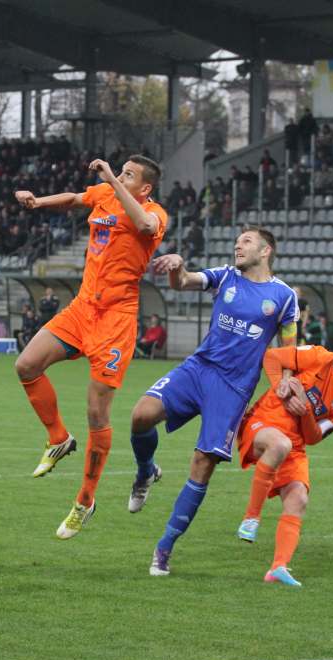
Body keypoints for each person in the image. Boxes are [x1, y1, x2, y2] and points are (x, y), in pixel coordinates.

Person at [12, 155, 168, 539]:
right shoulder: (104, 194)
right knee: (26, 365)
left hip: (116, 320)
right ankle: (58, 438)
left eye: (129, 175)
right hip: (83, 308)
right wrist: (39, 202)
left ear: (144, 188)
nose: (119, 177)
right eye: (121, 171)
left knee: (97, 413)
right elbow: (74, 198)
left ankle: (85, 501)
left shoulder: (154, 212)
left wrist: (114, 181)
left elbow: (146, 225)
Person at [134, 229, 299, 576]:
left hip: (232, 388)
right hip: (198, 369)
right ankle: (146, 471)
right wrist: (178, 267)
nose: (238, 245)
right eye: (237, 240)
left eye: (247, 241)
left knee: (201, 464)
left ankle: (164, 547)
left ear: (266, 250)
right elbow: (184, 283)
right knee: (141, 415)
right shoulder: (225, 276)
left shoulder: (283, 297)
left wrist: (286, 381)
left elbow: (287, 349)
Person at [235, 331, 333, 586]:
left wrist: (305, 411)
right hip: (264, 422)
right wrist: (279, 384)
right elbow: (271, 357)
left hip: (296, 443)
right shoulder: (317, 356)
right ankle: (251, 517)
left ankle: (278, 568)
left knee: (299, 499)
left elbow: (314, 437)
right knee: (279, 443)